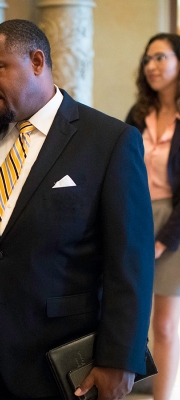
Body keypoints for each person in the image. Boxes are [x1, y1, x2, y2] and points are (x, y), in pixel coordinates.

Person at [0, 19, 155, 400]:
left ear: (37, 62)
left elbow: (130, 261)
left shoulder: (109, 141)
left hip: (62, 364)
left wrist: (119, 359)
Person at [125, 33, 180, 400]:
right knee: (129, 318)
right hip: (136, 215)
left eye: (160, 57)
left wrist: (164, 240)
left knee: (163, 323)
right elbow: (122, 170)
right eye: (147, 59)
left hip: (174, 222)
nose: (151, 66)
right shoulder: (138, 113)